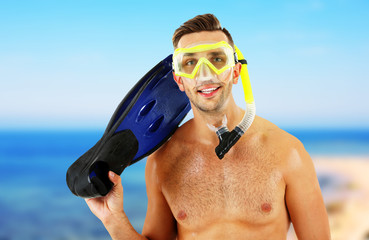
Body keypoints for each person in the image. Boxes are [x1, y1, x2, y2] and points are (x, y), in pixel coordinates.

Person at [85, 13, 331, 240]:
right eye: (190, 63)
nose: (205, 74)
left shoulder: (287, 152)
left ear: (235, 72)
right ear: (179, 80)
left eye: (217, 59)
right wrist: (113, 218)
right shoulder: (164, 161)